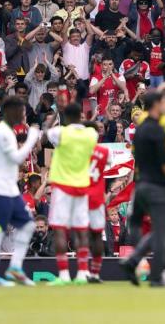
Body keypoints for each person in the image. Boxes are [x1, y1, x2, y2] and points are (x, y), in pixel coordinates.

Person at [120, 90, 165, 289]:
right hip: (158, 186)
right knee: (162, 232)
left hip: (141, 184)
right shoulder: (157, 130)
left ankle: (134, 260)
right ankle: (156, 277)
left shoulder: (141, 128)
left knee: (148, 228)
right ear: (156, 105)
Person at [0, 95, 41, 286]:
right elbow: (17, 159)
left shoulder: (6, 131)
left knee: (28, 225)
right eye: (22, 112)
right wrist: (32, 138)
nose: (24, 116)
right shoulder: (2, 132)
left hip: (9, 188)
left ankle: (15, 267)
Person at [43, 103, 98, 286]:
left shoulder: (60, 133)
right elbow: (90, 125)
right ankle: (83, 272)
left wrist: (58, 111)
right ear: (81, 116)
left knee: (60, 230)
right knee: (81, 231)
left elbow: (45, 131)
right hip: (82, 187)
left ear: (65, 118)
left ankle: (64, 274)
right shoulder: (91, 134)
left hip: (62, 187)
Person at [84, 136, 110, 283]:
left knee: (82, 234)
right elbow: (109, 164)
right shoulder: (104, 151)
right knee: (97, 236)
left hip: (81, 196)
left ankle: (82, 271)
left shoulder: (78, 151)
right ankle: (95, 273)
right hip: (97, 197)